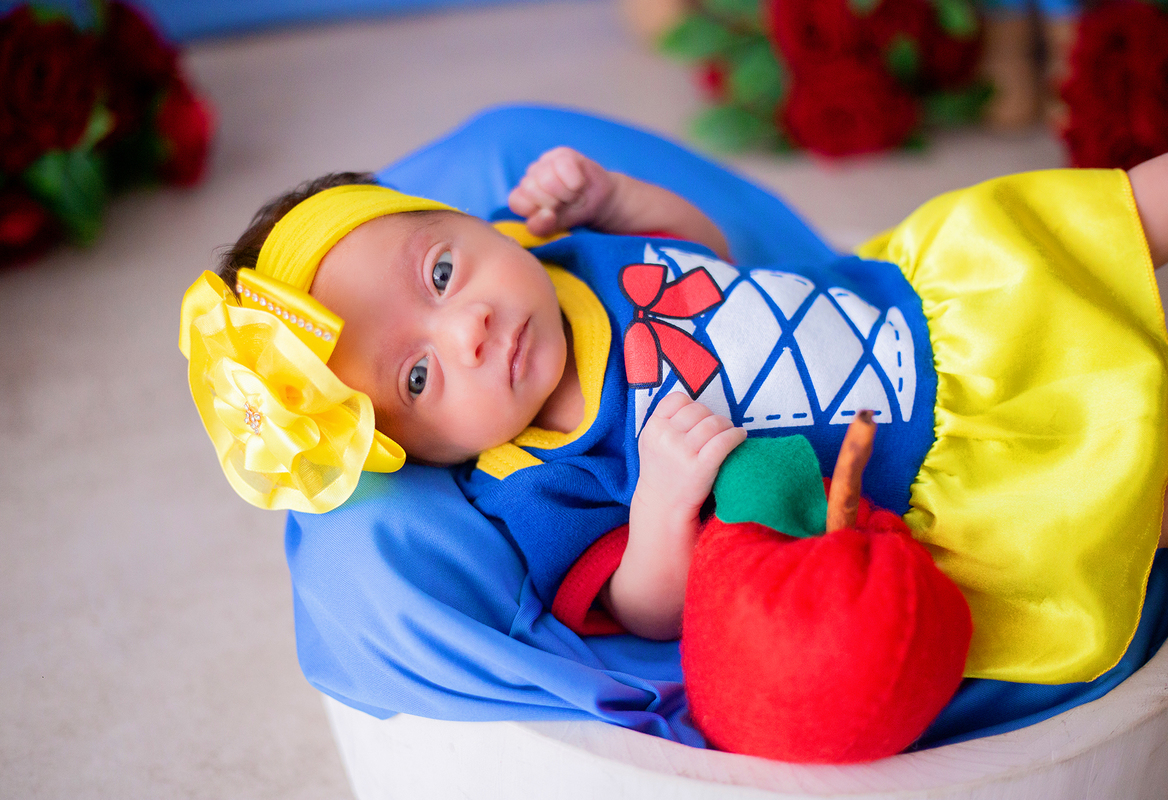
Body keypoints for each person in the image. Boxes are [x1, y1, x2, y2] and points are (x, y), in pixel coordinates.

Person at [182, 147, 1168, 691]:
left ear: (464, 219)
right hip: (928, 467)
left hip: (911, 303)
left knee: (1054, 224)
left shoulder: (561, 256)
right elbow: (646, 609)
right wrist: (661, 507)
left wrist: (617, 198)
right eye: (422, 374)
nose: (470, 326)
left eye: (441, 271)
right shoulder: (536, 482)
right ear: (413, 449)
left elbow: (707, 261)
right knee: (1107, 490)